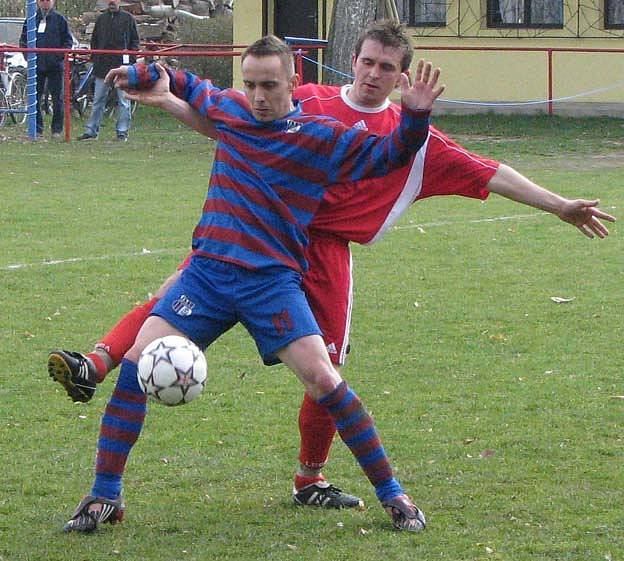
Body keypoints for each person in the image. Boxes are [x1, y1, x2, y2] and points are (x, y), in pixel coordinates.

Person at [49, 21, 616, 516]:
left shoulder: (405, 140)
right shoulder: (309, 97)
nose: (372, 74)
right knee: (168, 299)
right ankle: (99, 378)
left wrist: (561, 204)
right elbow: (225, 118)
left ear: (401, 76)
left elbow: (491, 172)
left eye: (385, 67)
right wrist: (165, 93)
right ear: (351, 61)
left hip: (312, 255)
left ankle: (313, 477)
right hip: (240, 235)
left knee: (326, 372)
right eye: (366, 61)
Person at [59, 34, 444, 534]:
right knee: (135, 365)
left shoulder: (320, 136)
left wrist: (414, 118)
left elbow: (390, 155)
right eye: (250, 85)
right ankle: (104, 495)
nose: (258, 96)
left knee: (324, 381)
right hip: (208, 276)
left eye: (269, 85)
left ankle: (393, 493)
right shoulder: (233, 110)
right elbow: (185, 82)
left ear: (294, 82)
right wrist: (142, 73)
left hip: (272, 284)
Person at [77, 0, 139, 142]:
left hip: (122, 67)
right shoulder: (101, 19)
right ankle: (91, 131)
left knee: (123, 101)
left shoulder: (128, 19)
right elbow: (95, 40)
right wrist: (95, 57)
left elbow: (134, 42)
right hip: (102, 67)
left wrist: (130, 60)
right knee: (98, 99)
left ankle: (122, 132)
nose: (112, 2)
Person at [19, 0, 73, 138]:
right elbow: (23, 41)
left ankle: (57, 130)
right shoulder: (31, 19)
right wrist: (29, 58)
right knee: (35, 97)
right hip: (36, 65)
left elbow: (68, 42)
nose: (45, 3)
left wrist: (58, 56)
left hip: (55, 66)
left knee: (57, 98)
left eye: (47, 0)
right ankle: (37, 128)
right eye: (42, 0)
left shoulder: (60, 19)